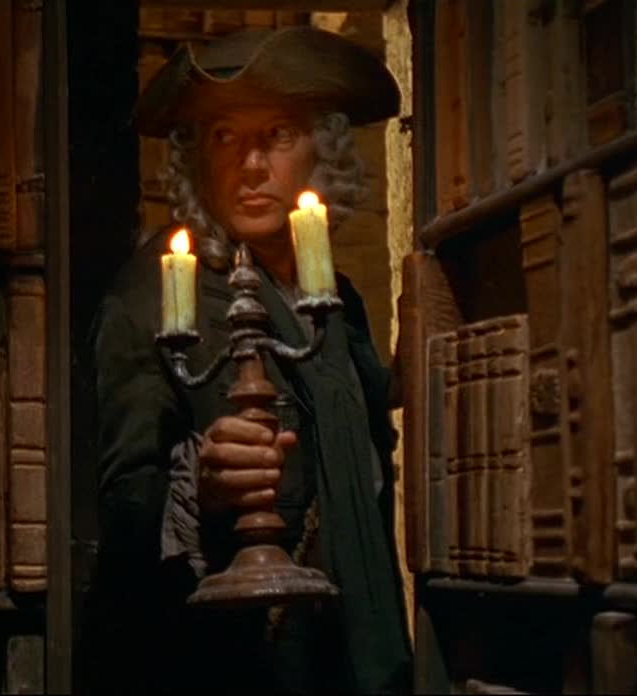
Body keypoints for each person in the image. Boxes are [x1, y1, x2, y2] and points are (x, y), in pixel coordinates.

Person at [88, 27, 412, 694]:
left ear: (320, 150)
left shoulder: (334, 301)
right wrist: (202, 491)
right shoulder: (153, 298)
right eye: (225, 136)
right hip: (239, 665)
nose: (252, 165)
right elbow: (125, 520)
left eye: (278, 135)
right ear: (197, 158)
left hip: (354, 652)